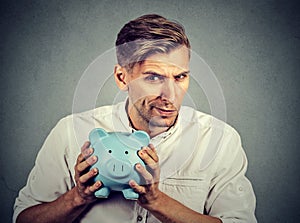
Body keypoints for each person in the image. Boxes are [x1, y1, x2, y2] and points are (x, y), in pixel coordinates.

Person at [13, 14, 257, 223]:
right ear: (122, 78)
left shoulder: (219, 139)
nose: (170, 95)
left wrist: (157, 201)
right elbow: (23, 218)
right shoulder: (70, 131)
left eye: (180, 77)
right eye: (153, 78)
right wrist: (77, 197)